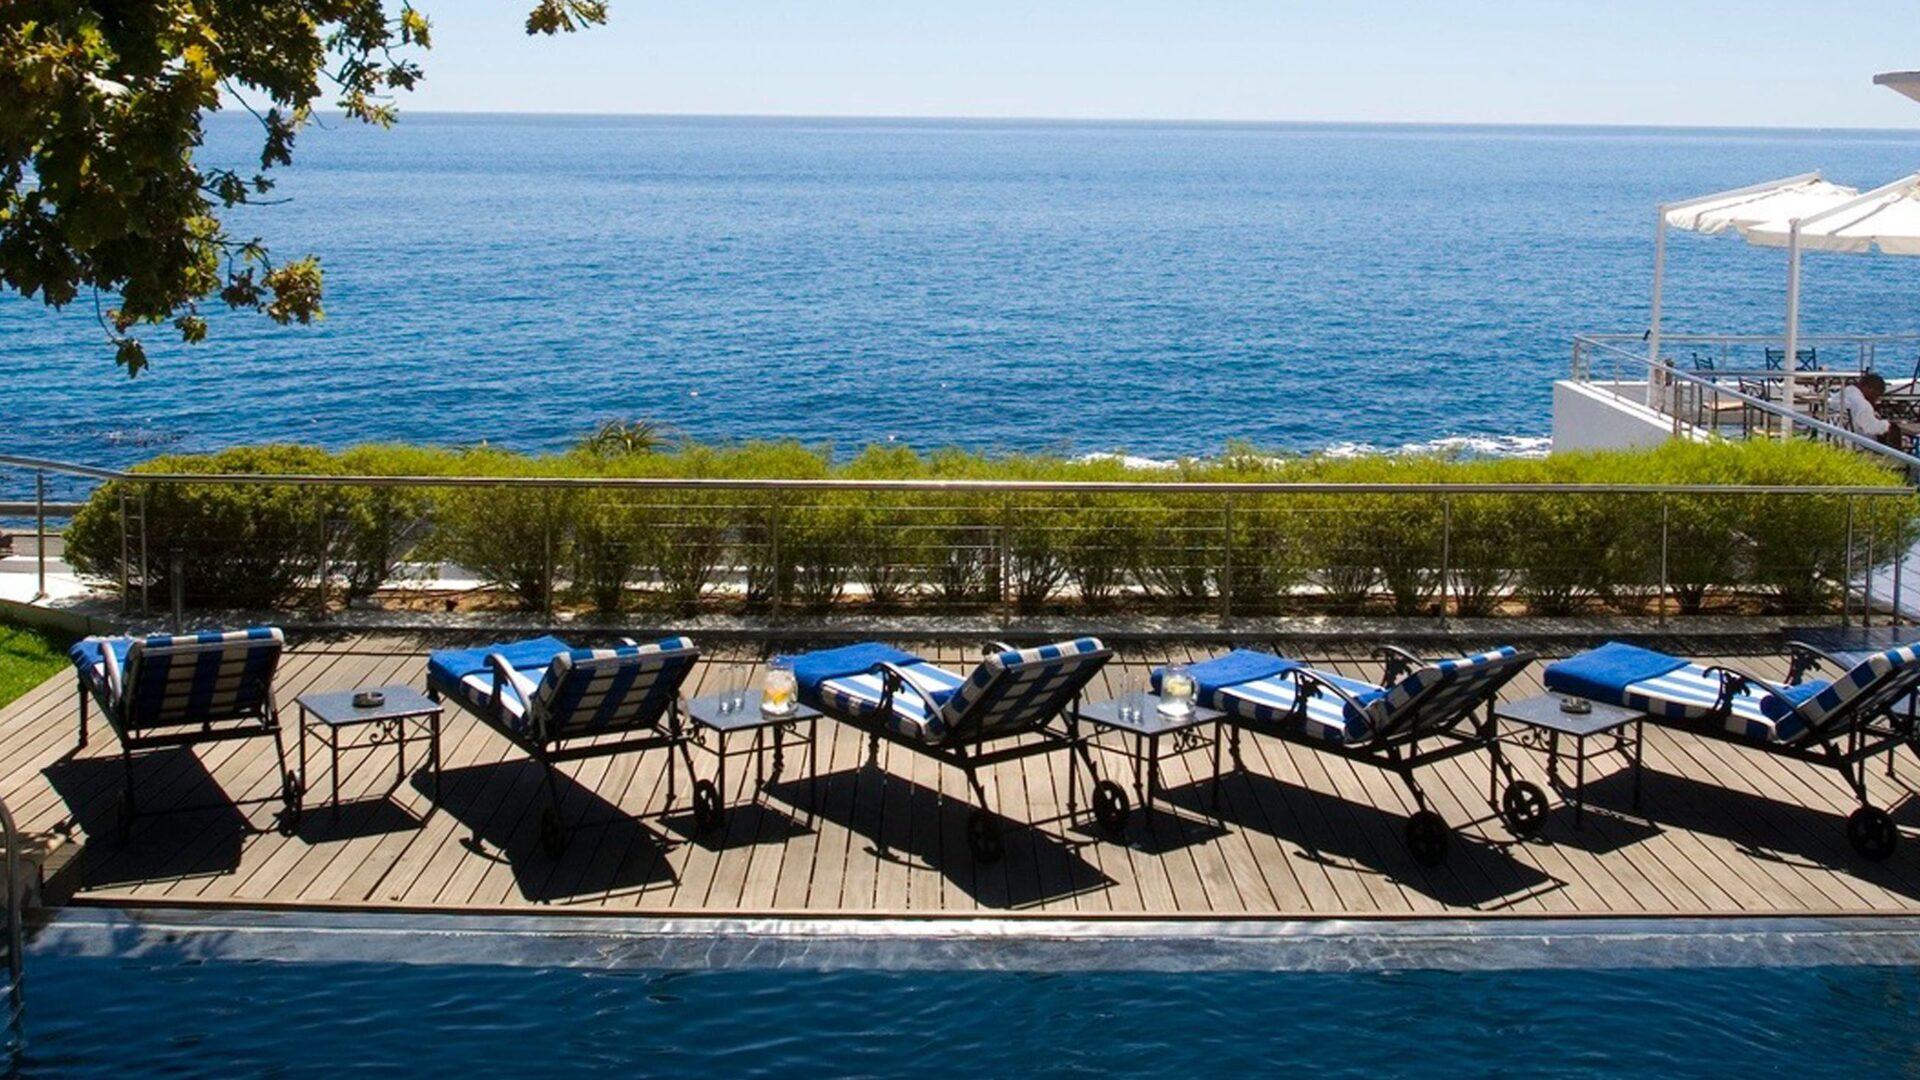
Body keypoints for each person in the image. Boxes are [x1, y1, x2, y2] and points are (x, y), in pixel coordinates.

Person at [1831, 373, 1914, 450]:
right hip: (1858, 447)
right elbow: (1871, 428)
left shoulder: (1844, 393)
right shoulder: (1863, 405)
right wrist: (1887, 425)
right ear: (1870, 389)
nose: (1876, 399)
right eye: (1876, 395)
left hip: (1839, 440)